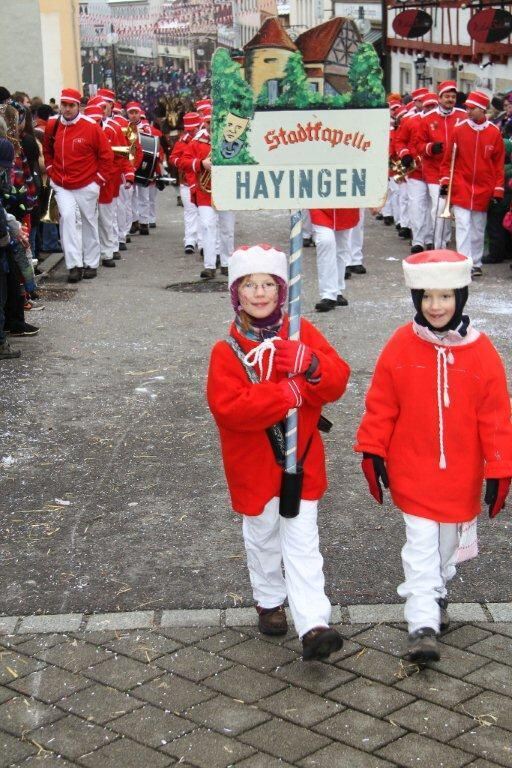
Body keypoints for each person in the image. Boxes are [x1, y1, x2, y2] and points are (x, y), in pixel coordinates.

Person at [355, 249, 512, 663]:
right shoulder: (401, 345)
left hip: (461, 474)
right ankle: (421, 624)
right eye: (426, 297)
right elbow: (382, 403)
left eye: (444, 296)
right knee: (420, 545)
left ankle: (437, 591)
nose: (435, 306)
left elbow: (496, 417)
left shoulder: (481, 353)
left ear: (460, 297)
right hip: (413, 467)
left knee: (444, 548)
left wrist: (499, 468)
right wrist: (373, 448)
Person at [207, 244, 350, 660]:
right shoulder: (226, 351)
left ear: (280, 290)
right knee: (264, 536)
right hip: (253, 465)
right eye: (249, 285)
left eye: (268, 284)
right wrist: (283, 393)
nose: (259, 293)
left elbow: (337, 382)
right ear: (237, 293)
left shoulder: (301, 334)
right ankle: (269, 598)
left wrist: (311, 364)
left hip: (300, 459)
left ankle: (313, 623)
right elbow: (229, 409)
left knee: (303, 543)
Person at [43, 88, 113, 282]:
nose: (67, 109)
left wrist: (98, 180)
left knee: (89, 221)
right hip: (62, 183)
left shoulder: (91, 126)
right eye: (64, 105)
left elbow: (106, 155)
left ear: (78, 106)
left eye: (71, 105)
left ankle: (91, 262)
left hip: (86, 183)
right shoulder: (52, 124)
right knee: (67, 219)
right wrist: (50, 167)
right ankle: (74, 265)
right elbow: (47, 149)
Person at [439, 91, 505, 278]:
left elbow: (498, 164)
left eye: (472, 108)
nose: (467, 110)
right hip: (461, 186)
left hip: (484, 189)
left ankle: (476, 263)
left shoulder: (494, 132)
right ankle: (464, 262)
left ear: (482, 109)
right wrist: (445, 184)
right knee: (463, 226)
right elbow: (446, 161)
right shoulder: (459, 129)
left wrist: (498, 189)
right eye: (467, 107)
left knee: (477, 229)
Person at [417, 81, 466, 250]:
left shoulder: (462, 116)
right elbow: (419, 145)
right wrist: (431, 148)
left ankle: (444, 240)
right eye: (447, 96)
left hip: (456, 170)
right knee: (438, 209)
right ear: (439, 98)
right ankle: (439, 246)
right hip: (434, 171)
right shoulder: (427, 118)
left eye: (453, 96)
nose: (450, 99)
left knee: (450, 209)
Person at [310, 207, 360, 311]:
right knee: (325, 241)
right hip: (320, 203)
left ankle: (337, 290)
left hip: (345, 205)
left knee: (341, 246)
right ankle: (328, 294)